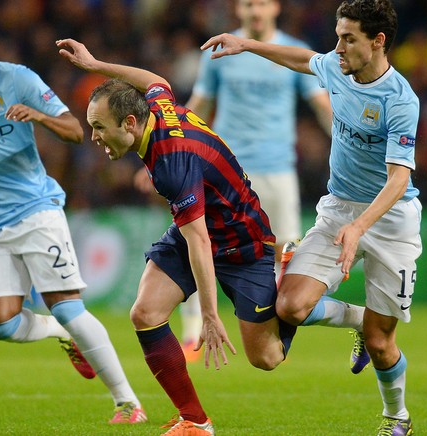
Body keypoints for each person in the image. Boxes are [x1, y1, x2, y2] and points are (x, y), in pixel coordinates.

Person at [57, 37, 307, 436]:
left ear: (129, 124)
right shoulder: (155, 108)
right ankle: (196, 421)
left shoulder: (172, 163)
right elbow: (154, 79)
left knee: (267, 358)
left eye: (99, 127)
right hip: (201, 227)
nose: (94, 138)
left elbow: (200, 243)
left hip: (241, 242)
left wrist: (209, 316)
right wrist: (95, 65)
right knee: (145, 313)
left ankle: (290, 275)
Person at [0, 3, 146, 424]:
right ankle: (63, 335)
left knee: (67, 305)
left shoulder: (16, 79)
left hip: (37, 213)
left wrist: (37, 115)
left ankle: (128, 403)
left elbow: (77, 131)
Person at [202, 0, 421, 434]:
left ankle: (397, 417)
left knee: (381, 343)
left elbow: (398, 179)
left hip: (391, 219)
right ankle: (359, 318)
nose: (337, 47)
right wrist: (246, 43)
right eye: (338, 36)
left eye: (348, 39)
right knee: (291, 306)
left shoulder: (400, 100)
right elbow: (305, 59)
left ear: (377, 42)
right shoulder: (338, 67)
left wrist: (360, 228)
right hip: (339, 209)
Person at [173, 0, 335, 361]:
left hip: (277, 169)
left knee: (287, 251)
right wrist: (170, 146)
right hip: (226, 170)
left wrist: (349, 137)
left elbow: (321, 104)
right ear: (239, 10)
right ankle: (192, 332)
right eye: (248, 4)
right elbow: (199, 103)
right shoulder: (219, 51)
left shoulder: (289, 52)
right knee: (203, 245)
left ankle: (275, 324)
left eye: (261, 3)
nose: (255, 10)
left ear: (275, 7)